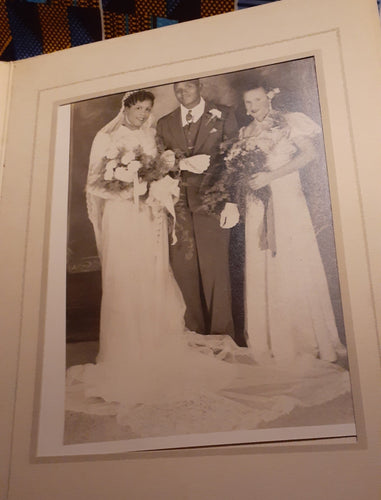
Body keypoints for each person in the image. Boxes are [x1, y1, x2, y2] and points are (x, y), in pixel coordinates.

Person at [222, 83, 346, 363]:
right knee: (262, 259)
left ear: (268, 98)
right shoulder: (245, 133)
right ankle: (269, 339)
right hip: (257, 204)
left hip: (287, 199)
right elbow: (240, 172)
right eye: (247, 102)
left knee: (291, 260)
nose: (251, 107)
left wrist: (271, 176)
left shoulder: (290, 122)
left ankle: (302, 338)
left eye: (256, 100)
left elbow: (309, 155)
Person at [156, 79, 241, 340]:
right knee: (184, 268)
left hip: (213, 201)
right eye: (177, 89)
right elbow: (159, 163)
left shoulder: (224, 114)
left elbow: (234, 159)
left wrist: (232, 201)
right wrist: (177, 165)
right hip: (178, 205)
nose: (183, 93)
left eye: (188, 87)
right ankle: (193, 336)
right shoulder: (165, 122)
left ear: (200, 87)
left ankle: (222, 336)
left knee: (215, 269)